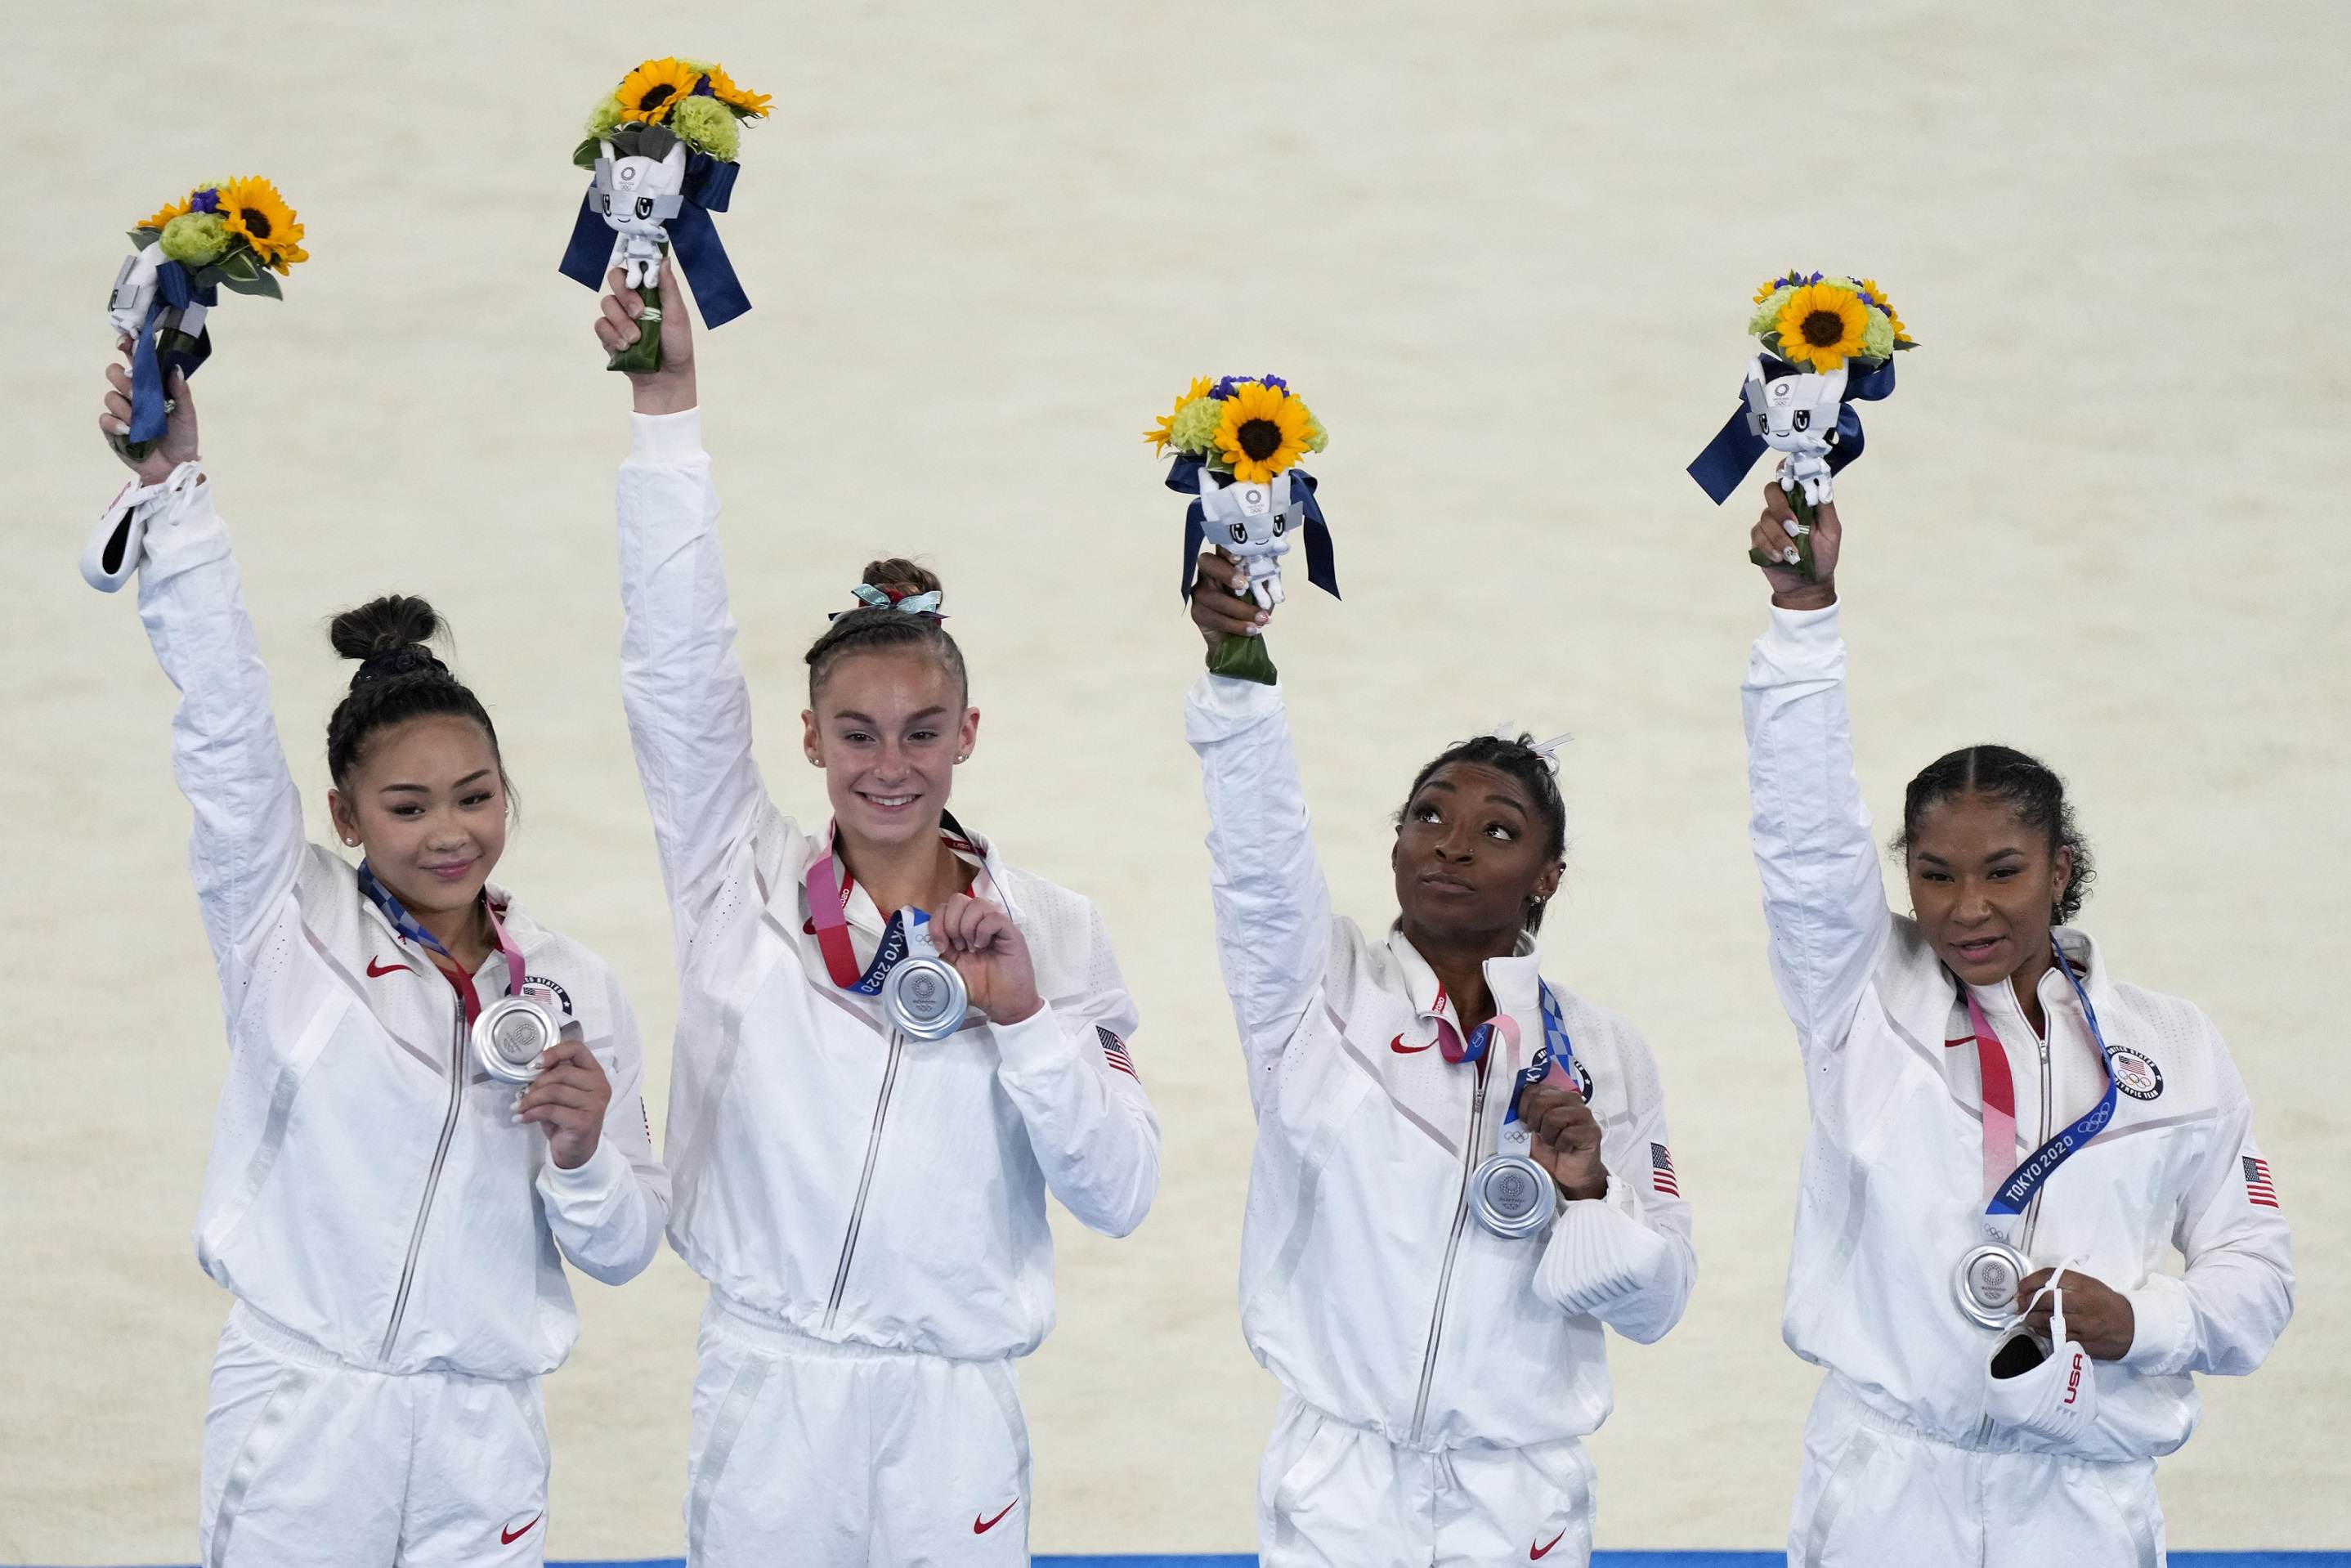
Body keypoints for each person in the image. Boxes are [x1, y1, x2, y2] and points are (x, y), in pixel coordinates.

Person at [592, 268, 1161, 1566]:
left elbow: (1120, 1190)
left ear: (970, 733)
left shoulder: (1051, 931)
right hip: (767, 1384)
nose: (887, 763)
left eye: (919, 731)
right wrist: (667, 413)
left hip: (953, 1408)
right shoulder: (732, 873)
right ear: (808, 737)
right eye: (855, 732)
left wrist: (1023, 1022)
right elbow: (675, 670)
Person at [85, 353, 668, 1566]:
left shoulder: (569, 987)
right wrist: (175, 496)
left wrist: (579, 1151)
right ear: (346, 817)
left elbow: (621, 1248)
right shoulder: (279, 919)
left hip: (486, 1432)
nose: (448, 831)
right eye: (407, 808)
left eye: (475, 796)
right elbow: (225, 733)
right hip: (306, 1412)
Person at [1740, 484, 2295, 1566]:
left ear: (2061, 870)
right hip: (1889, 1488)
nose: (1967, 908)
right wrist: (1802, 615)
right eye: (1936, 876)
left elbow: (2255, 1274)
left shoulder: (2172, 1048)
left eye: (2003, 873)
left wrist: (2140, 1320)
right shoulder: (1863, 996)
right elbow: (1803, 841)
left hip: (2082, 1499)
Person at [1182, 549, 1695, 1566]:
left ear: (1546, 875)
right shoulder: (1316, 993)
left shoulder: (1602, 1056)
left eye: (1494, 831)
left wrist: (1590, 1193)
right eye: (1428, 817)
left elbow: (1657, 1303)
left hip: (1522, 1498)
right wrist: (1236, 669)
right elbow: (1256, 857)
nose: (1451, 846)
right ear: (1394, 844)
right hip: (1338, 1483)